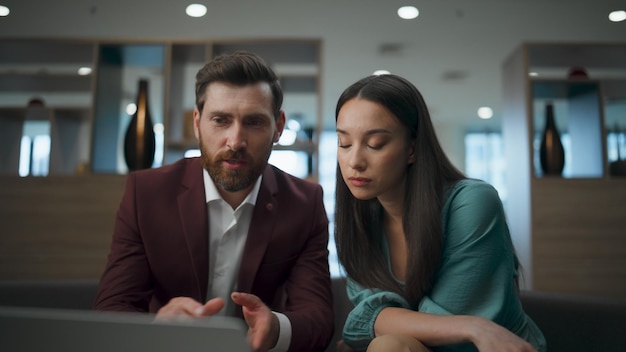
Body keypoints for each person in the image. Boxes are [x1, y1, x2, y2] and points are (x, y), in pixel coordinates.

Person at [94, 51, 334, 352]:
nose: (235, 142)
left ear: (278, 126)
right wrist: (155, 329)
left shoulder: (305, 204)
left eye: (254, 122)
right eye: (220, 120)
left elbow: (318, 318)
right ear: (197, 122)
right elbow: (113, 306)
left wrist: (275, 328)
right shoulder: (146, 193)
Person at [333, 74, 546, 352]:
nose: (354, 161)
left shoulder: (472, 203)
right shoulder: (361, 223)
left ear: (412, 148)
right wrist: (471, 326)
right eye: (344, 143)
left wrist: (387, 322)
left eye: (375, 144)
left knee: (389, 346)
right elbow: (361, 322)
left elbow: (452, 334)